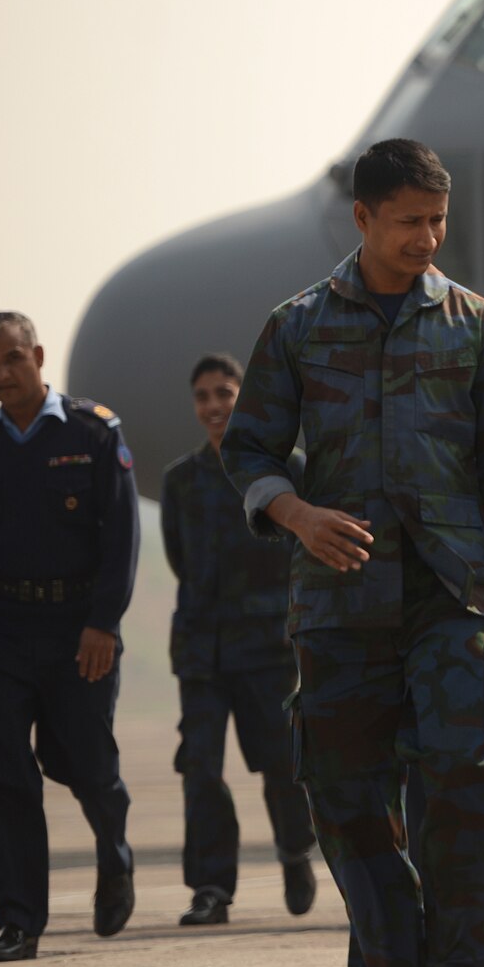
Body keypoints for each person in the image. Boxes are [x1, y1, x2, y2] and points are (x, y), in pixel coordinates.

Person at [222, 138, 484, 967]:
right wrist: (296, 512)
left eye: (438, 221)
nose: (428, 238)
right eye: (409, 222)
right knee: (349, 804)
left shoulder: (477, 325)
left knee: (467, 786)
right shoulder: (298, 326)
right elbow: (249, 450)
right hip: (338, 605)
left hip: (450, 599)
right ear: (362, 219)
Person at [0, 311, 139, 961]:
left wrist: (103, 624)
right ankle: (19, 921)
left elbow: (121, 537)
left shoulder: (92, 430)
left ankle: (114, 853)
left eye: (11, 359)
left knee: (84, 762)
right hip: (0, 629)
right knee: (3, 771)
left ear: (37, 354)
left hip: (77, 628)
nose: (1, 375)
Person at [159, 353, 316, 926]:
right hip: (201, 647)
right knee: (200, 767)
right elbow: (180, 556)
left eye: (224, 393)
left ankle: (295, 851)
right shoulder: (181, 480)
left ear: (243, 396)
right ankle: (210, 888)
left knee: (280, 763)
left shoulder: (286, 469)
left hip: (268, 646)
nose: (213, 406)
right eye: (203, 397)